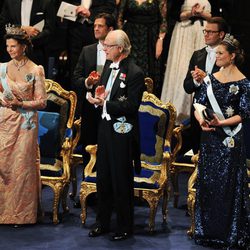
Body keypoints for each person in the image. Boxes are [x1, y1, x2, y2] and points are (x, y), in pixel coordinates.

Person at [87, 30, 145, 241]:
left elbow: (131, 105)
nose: (104, 48)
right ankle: (102, 223)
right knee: (103, 178)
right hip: (104, 129)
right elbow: (105, 93)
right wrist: (96, 98)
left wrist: (106, 104)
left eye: (108, 46)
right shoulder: (106, 68)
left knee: (121, 179)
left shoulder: (135, 72)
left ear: (120, 48)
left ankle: (124, 226)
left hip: (122, 131)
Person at [194, 34, 250, 248]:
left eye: (220, 53)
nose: (216, 56)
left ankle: (228, 233)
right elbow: (198, 104)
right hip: (209, 138)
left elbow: (244, 114)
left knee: (227, 186)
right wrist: (201, 121)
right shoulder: (210, 79)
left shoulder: (245, 83)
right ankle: (206, 231)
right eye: (215, 53)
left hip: (231, 139)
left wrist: (222, 123)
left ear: (232, 56)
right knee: (209, 183)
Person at [0, 25, 47, 225]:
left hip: (26, 123)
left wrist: (21, 103)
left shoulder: (36, 69)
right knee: (4, 165)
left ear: (23, 47)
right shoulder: (2, 67)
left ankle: (22, 214)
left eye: (13, 46)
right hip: (4, 121)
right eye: (7, 46)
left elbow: (42, 102)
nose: (10, 50)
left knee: (22, 167)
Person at [182, 17, 228, 154]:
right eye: (205, 31)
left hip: (219, 114)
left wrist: (206, 78)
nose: (206, 34)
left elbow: (229, 86)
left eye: (210, 32)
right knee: (197, 154)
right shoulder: (197, 55)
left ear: (221, 34)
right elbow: (187, 87)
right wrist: (196, 80)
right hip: (198, 114)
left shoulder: (228, 56)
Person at [161, 0, 211, 124]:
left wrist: (202, 14)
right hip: (184, 33)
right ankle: (177, 112)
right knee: (181, 68)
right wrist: (191, 13)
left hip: (205, 31)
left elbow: (220, 17)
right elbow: (173, 15)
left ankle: (200, 113)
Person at [117, 0, 167, 97]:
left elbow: (163, 21)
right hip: (130, 37)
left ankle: (147, 102)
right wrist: (120, 40)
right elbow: (120, 18)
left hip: (150, 38)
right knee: (128, 70)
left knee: (149, 72)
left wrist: (160, 40)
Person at [64, 0, 116, 81]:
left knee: (94, 63)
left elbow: (110, 7)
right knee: (73, 65)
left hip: (95, 30)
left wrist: (90, 13)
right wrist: (75, 8)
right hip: (74, 28)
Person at [0, 0, 55, 72]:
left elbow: (49, 30)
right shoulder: (10, 2)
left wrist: (27, 42)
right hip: (12, 53)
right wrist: (22, 28)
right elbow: (3, 25)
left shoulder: (46, 2)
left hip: (37, 51)